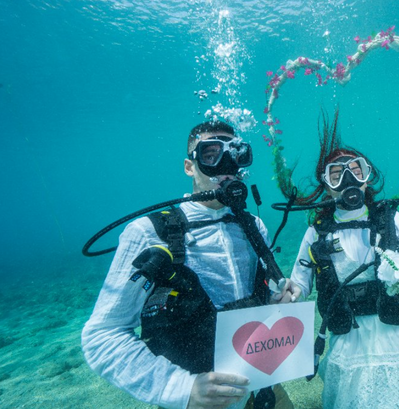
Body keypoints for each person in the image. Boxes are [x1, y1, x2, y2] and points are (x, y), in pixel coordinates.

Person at [82, 120, 300, 409]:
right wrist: (181, 388)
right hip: (197, 396)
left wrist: (276, 300)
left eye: (234, 154)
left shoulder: (253, 225)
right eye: (211, 154)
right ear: (189, 166)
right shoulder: (148, 232)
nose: (225, 165)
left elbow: (245, 297)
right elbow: (102, 335)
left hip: (260, 383)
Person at [286, 111, 399, 408]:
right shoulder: (317, 232)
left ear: (368, 178)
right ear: (325, 184)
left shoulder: (391, 220)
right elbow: (299, 280)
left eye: (356, 170)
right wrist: (290, 293)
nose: (348, 180)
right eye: (336, 174)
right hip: (350, 337)